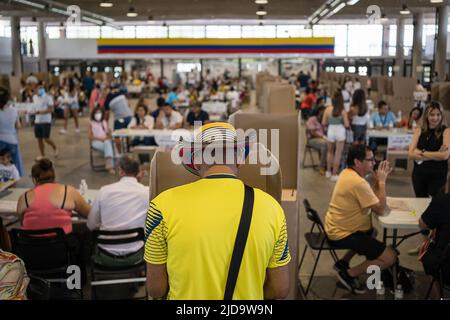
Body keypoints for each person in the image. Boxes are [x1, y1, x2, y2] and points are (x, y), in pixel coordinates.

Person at [144, 122, 291, 300]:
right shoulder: (272, 208)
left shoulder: (161, 207)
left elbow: (156, 290)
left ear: (196, 160)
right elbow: (280, 288)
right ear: (240, 159)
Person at [325, 144, 397, 294]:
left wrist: (378, 181)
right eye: (370, 160)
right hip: (342, 233)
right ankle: (349, 274)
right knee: (390, 257)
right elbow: (380, 208)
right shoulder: (357, 182)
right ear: (358, 162)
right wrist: (382, 182)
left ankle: (343, 262)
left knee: (372, 232)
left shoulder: (348, 173)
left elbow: (373, 200)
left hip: (337, 226)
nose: (373, 163)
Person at [87, 156, 148, 266]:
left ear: (120, 170)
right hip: (136, 256)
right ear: (138, 172)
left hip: (106, 256)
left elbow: (91, 225)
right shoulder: (146, 192)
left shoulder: (104, 191)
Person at [408, 101, 450, 198]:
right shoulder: (419, 130)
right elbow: (410, 155)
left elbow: (444, 156)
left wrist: (421, 152)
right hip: (419, 175)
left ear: (442, 115)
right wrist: (436, 155)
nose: (435, 118)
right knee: (420, 204)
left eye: (438, 114)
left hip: (437, 176)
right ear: (426, 115)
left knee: (436, 205)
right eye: (432, 114)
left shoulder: (446, 131)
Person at [418, 193, 450, 299]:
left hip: (446, 267)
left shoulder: (442, 200)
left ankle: (438, 296)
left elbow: (423, 224)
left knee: (425, 252)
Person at [322, 90, 350, 182]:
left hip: (331, 131)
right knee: (338, 153)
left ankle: (328, 172)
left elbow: (324, 122)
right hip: (340, 131)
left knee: (330, 152)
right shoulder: (342, 111)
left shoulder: (327, 109)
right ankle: (334, 174)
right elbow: (346, 125)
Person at [0, 87, 24, 176]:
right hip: (12, 140)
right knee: (14, 164)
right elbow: (18, 126)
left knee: (1, 164)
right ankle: (14, 183)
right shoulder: (14, 110)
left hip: (0, 141)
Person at [104, 84, 133, 154]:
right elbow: (129, 104)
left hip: (119, 118)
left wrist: (105, 123)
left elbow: (107, 115)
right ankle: (129, 149)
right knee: (128, 133)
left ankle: (119, 154)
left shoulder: (107, 99)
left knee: (116, 136)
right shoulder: (121, 92)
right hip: (129, 116)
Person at [32, 84, 58, 161]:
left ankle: (55, 147)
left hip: (46, 120)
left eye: (42, 88)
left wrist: (40, 112)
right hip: (37, 121)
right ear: (35, 89)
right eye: (39, 88)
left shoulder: (48, 97)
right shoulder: (34, 97)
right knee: (39, 139)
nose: (40, 90)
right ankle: (42, 155)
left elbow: (51, 110)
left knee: (46, 138)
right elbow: (34, 108)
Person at [88, 107, 115, 174]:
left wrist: (109, 133)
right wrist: (100, 139)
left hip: (105, 141)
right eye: (96, 113)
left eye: (99, 113)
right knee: (108, 145)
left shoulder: (104, 122)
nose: (98, 114)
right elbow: (89, 136)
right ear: (93, 114)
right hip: (96, 142)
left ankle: (109, 165)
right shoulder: (91, 123)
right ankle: (110, 165)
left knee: (107, 143)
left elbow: (108, 134)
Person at [306, 106, 328, 175]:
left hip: (323, 138)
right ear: (320, 112)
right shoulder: (312, 119)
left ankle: (328, 165)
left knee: (331, 143)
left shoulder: (324, 120)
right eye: (324, 112)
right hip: (312, 139)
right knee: (325, 144)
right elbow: (312, 133)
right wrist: (322, 136)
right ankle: (321, 167)